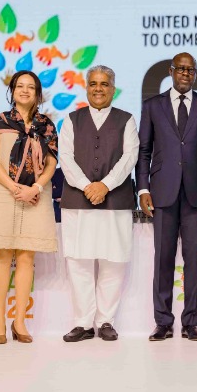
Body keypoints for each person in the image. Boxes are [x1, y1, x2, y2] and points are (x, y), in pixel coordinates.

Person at [0, 70, 59, 344]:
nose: (25, 90)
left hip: (35, 195)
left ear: (37, 93)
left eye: (30, 87)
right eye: (20, 86)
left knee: (26, 258)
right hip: (2, 192)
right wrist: (14, 188)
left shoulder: (47, 125)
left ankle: (19, 322)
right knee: (1, 256)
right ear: (12, 90)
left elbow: (52, 163)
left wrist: (36, 188)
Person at [137, 52, 197, 341]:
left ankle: (190, 323)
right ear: (171, 71)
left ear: (195, 74)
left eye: (190, 70)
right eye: (180, 69)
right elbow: (144, 151)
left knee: (194, 260)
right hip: (162, 192)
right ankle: (163, 322)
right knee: (163, 259)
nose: (185, 74)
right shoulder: (152, 106)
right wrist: (143, 188)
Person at [60, 65, 138, 343]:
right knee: (78, 262)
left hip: (114, 200)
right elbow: (65, 157)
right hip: (77, 200)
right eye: (93, 83)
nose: (98, 89)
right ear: (86, 87)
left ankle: (106, 321)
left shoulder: (127, 120)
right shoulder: (71, 119)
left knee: (112, 261)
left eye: (104, 84)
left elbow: (130, 157)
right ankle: (83, 323)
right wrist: (87, 186)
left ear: (113, 89)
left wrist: (105, 185)